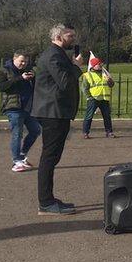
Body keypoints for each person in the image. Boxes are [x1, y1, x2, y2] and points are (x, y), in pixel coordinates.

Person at [30, 24, 83, 215]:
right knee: (49, 157)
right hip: (52, 113)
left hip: (55, 112)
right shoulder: (53, 54)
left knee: (52, 156)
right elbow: (66, 82)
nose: (74, 39)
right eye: (71, 35)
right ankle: (45, 202)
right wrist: (77, 67)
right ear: (59, 36)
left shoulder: (58, 54)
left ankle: (48, 199)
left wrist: (72, 65)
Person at [0, 51, 40, 172]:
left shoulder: (28, 69)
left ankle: (22, 154)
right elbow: (1, 87)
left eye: (25, 61)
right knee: (17, 133)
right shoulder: (4, 71)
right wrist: (20, 78)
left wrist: (33, 78)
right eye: (21, 61)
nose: (23, 63)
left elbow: (35, 86)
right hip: (13, 107)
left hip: (28, 107)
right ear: (14, 58)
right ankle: (16, 161)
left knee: (36, 130)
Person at [79, 57, 115, 139]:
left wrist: (109, 80)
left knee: (107, 116)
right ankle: (85, 132)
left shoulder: (105, 73)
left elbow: (112, 85)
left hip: (104, 98)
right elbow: (84, 88)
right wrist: (89, 97)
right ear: (93, 66)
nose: (100, 65)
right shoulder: (88, 75)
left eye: (100, 63)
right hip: (93, 99)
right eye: (98, 64)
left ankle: (109, 132)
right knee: (89, 116)